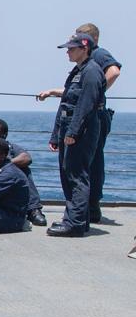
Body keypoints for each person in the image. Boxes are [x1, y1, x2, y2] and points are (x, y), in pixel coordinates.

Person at [38, 23, 122, 223]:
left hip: (88, 121)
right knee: (75, 169)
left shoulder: (96, 58)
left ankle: (82, 216)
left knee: (83, 169)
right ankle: (80, 215)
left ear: (86, 42)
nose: (68, 49)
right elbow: (72, 95)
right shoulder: (80, 68)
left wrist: (96, 93)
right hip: (76, 121)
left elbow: (113, 72)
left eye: (73, 44)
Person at [46, 32, 105, 237]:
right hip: (68, 125)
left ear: (84, 48)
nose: (68, 52)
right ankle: (77, 218)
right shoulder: (77, 71)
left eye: (71, 49)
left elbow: (85, 105)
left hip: (81, 129)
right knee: (68, 172)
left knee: (76, 175)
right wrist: (56, 135)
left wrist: (73, 132)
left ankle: (75, 223)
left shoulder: (91, 72)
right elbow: (66, 103)